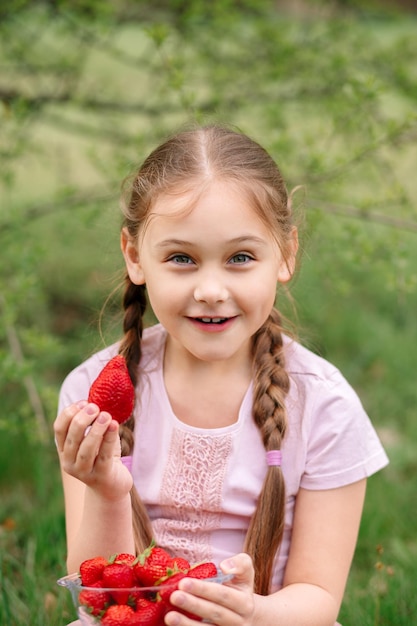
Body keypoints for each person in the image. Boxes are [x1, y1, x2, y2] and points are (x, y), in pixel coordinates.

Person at [54, 124, 389, 626]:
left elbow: (318, 595)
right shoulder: (93, 392)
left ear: (286, 254)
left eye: (240, 258)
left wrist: (250, 613)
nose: (211, 289)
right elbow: (96, 592)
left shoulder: (324, 406)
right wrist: (106, 490)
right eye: (182, 258)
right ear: (134, 256)